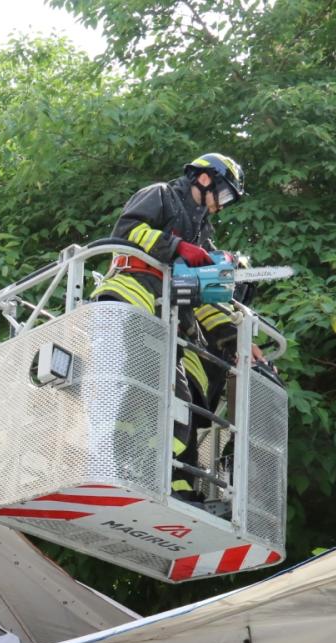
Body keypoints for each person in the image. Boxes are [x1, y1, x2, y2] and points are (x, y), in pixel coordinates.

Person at [93, 152, 259, 498]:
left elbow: (208, 296)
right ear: (204, 179)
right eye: (224, 194)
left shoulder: (202, 229)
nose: (222, 205)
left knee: (181, 404)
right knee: (169, 397)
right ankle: (139, 466)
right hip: (136, 295)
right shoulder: (161, 195)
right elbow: (127, 229)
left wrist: (238, 338)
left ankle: (178, 483)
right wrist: (177, 246)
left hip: (170, 320)